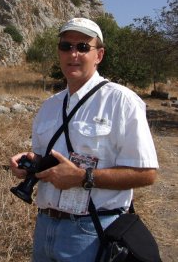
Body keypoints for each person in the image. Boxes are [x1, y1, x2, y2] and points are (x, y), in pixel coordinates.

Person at [10, 17, 159, 262]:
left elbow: (146, 173)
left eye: (82, 47)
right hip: (45, 226)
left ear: (99, 55)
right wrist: (29, 162)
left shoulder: (122, 101)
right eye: (66, 46)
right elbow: (47, 158)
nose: (73, 54)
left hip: (92, 231)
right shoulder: (50, 106)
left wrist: (82, 177)